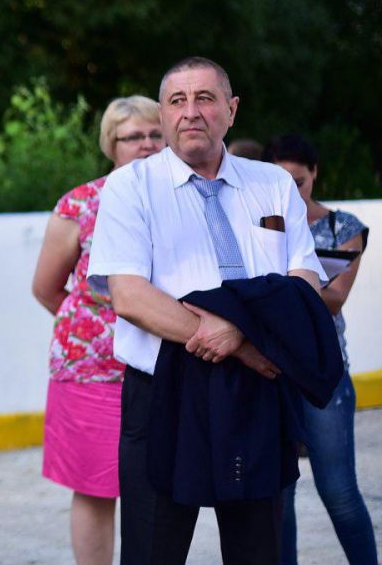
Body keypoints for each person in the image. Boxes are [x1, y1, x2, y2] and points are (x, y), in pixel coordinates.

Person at [87, 56, 326, 564]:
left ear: (232, 110)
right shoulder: (130, 186)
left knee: (258, 550)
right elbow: (129, 295)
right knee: (154, 551)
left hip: (256, 392)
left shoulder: (272, 184)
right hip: (166, 391)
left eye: (205, 98)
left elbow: (303, 280)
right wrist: (236, 340)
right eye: (177, 100)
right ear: (163, 114)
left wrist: (240, 336)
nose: (191, 111)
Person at [32, 95, 164, 565]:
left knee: (158, 485)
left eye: (155, 134)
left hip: (162, 365)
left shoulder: (184, 197)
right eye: (133, 137)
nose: (146, 144)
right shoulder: (81, 203)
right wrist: (96, 328)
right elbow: (47, 288)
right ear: (111, 144)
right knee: (94, 487)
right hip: (92, 371)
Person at [264, 134, 376, 564]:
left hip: (324, 373)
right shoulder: (258, 222)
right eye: (282, 182)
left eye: (299, 181)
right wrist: (304, 282)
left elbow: (334, 299)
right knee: (278, 495)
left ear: (314, 174)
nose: (292, 192)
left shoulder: (342, 227)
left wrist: (276, 283)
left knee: (338, 490)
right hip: (269, 371)